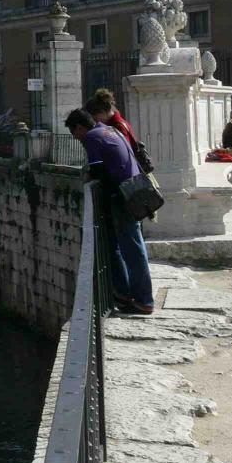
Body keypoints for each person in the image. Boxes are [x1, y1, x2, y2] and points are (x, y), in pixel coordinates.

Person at [66, 108, 155, 316]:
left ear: (79, 127)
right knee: (127, 245)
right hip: (133, 191)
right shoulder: (110, 130)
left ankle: (143, 300)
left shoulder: (92, 137)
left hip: (121, 197)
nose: (76, 138)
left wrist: (88, 175)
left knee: (132, 249)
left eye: (74, 133)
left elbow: (98, 172)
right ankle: (124, 294)